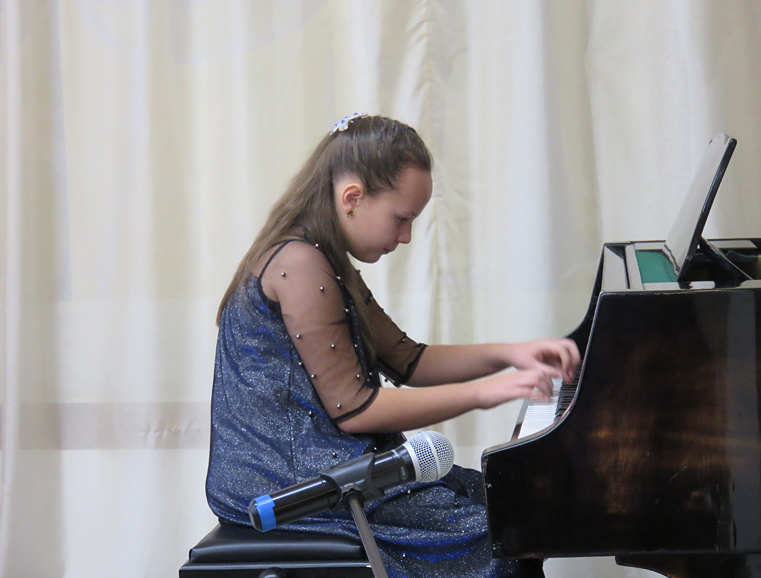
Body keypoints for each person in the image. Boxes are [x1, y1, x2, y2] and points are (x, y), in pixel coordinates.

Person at [205, 113, 580, 578]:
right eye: (401, 219)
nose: (405, 237)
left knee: (506, 501)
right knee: (502, 533)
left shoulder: (324, 259)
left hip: (331, 463)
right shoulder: (298, 264)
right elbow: (355, 410)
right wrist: (487, 393)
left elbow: (409, 360)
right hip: (288, 484)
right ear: (352, 198)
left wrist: (509, 354)